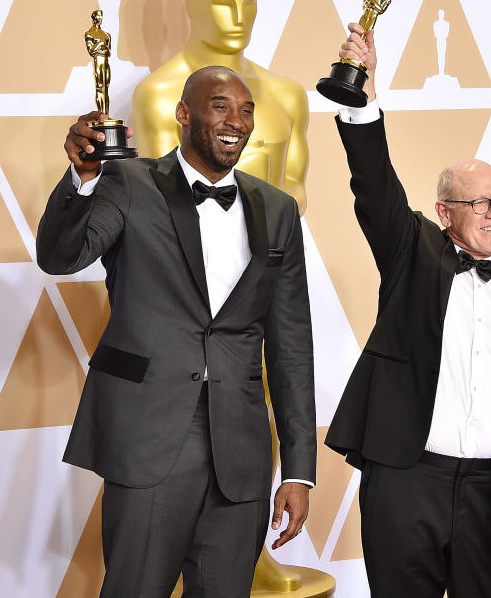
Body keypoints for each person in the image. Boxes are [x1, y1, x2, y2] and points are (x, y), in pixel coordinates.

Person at [37, 65, 316, 597]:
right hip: (150, 439)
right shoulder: (129, 182)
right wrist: (83, 178)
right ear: (183, 114)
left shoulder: (278, 210)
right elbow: (59, 256)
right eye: (219, 106)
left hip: (241, 450)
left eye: (246, 109)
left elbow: (291, 347)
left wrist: (299, 470)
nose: (236, 121)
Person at [325, 24, 491, 597]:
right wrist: (363, 95)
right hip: (408, 480)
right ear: (444, 211)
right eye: (478, 201)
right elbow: (376, 185)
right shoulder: (413, 254)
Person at [131, 0, 310, 213]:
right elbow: (163, 200)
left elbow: (296, 187)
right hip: (193, 251)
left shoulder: (288, 95)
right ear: (192, 6)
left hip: (275, 249)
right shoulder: (158, 95)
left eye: (248, 5)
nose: (239, 19)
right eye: (224, 4)